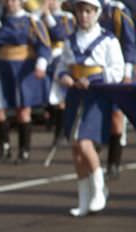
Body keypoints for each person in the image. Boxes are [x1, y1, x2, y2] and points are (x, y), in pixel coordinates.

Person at [56, 0, 124, 216]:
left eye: (88, 11)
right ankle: (83, 199)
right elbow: (61, 67)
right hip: (76, 97)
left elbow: (117, 71)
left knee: (86, 143)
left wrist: (93, 79)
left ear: (96, 13)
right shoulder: (69, 41)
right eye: (80, 11)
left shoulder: (108, 40)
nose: (84, 15)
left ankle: (100, 190)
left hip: (97, 97)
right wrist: (65, 77)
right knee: (76, 149)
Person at [0, 0, 52, 164]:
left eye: (14, 0)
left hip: (22, 69)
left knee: (22, 110)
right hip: (3, 70)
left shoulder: (31, 21)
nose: (11, 3)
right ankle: (5, 147)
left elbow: (44, 46)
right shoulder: (0, 22)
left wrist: (41, 63)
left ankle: (24, 150)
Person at [98, 0, 135, 179]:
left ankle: (114, 163)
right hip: (95, 70)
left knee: (116, 116)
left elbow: (129, 43)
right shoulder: (87, 7)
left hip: (117, 69)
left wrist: (127, 73)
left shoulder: (118, 11)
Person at [43, 0, 75, 149]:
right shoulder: (39, 17)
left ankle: (61, 132)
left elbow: (61, 34)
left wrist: (48, 16)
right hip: (47, 61)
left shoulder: (66, 17)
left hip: (62, 59)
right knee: (51, 99)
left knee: (61, 97)